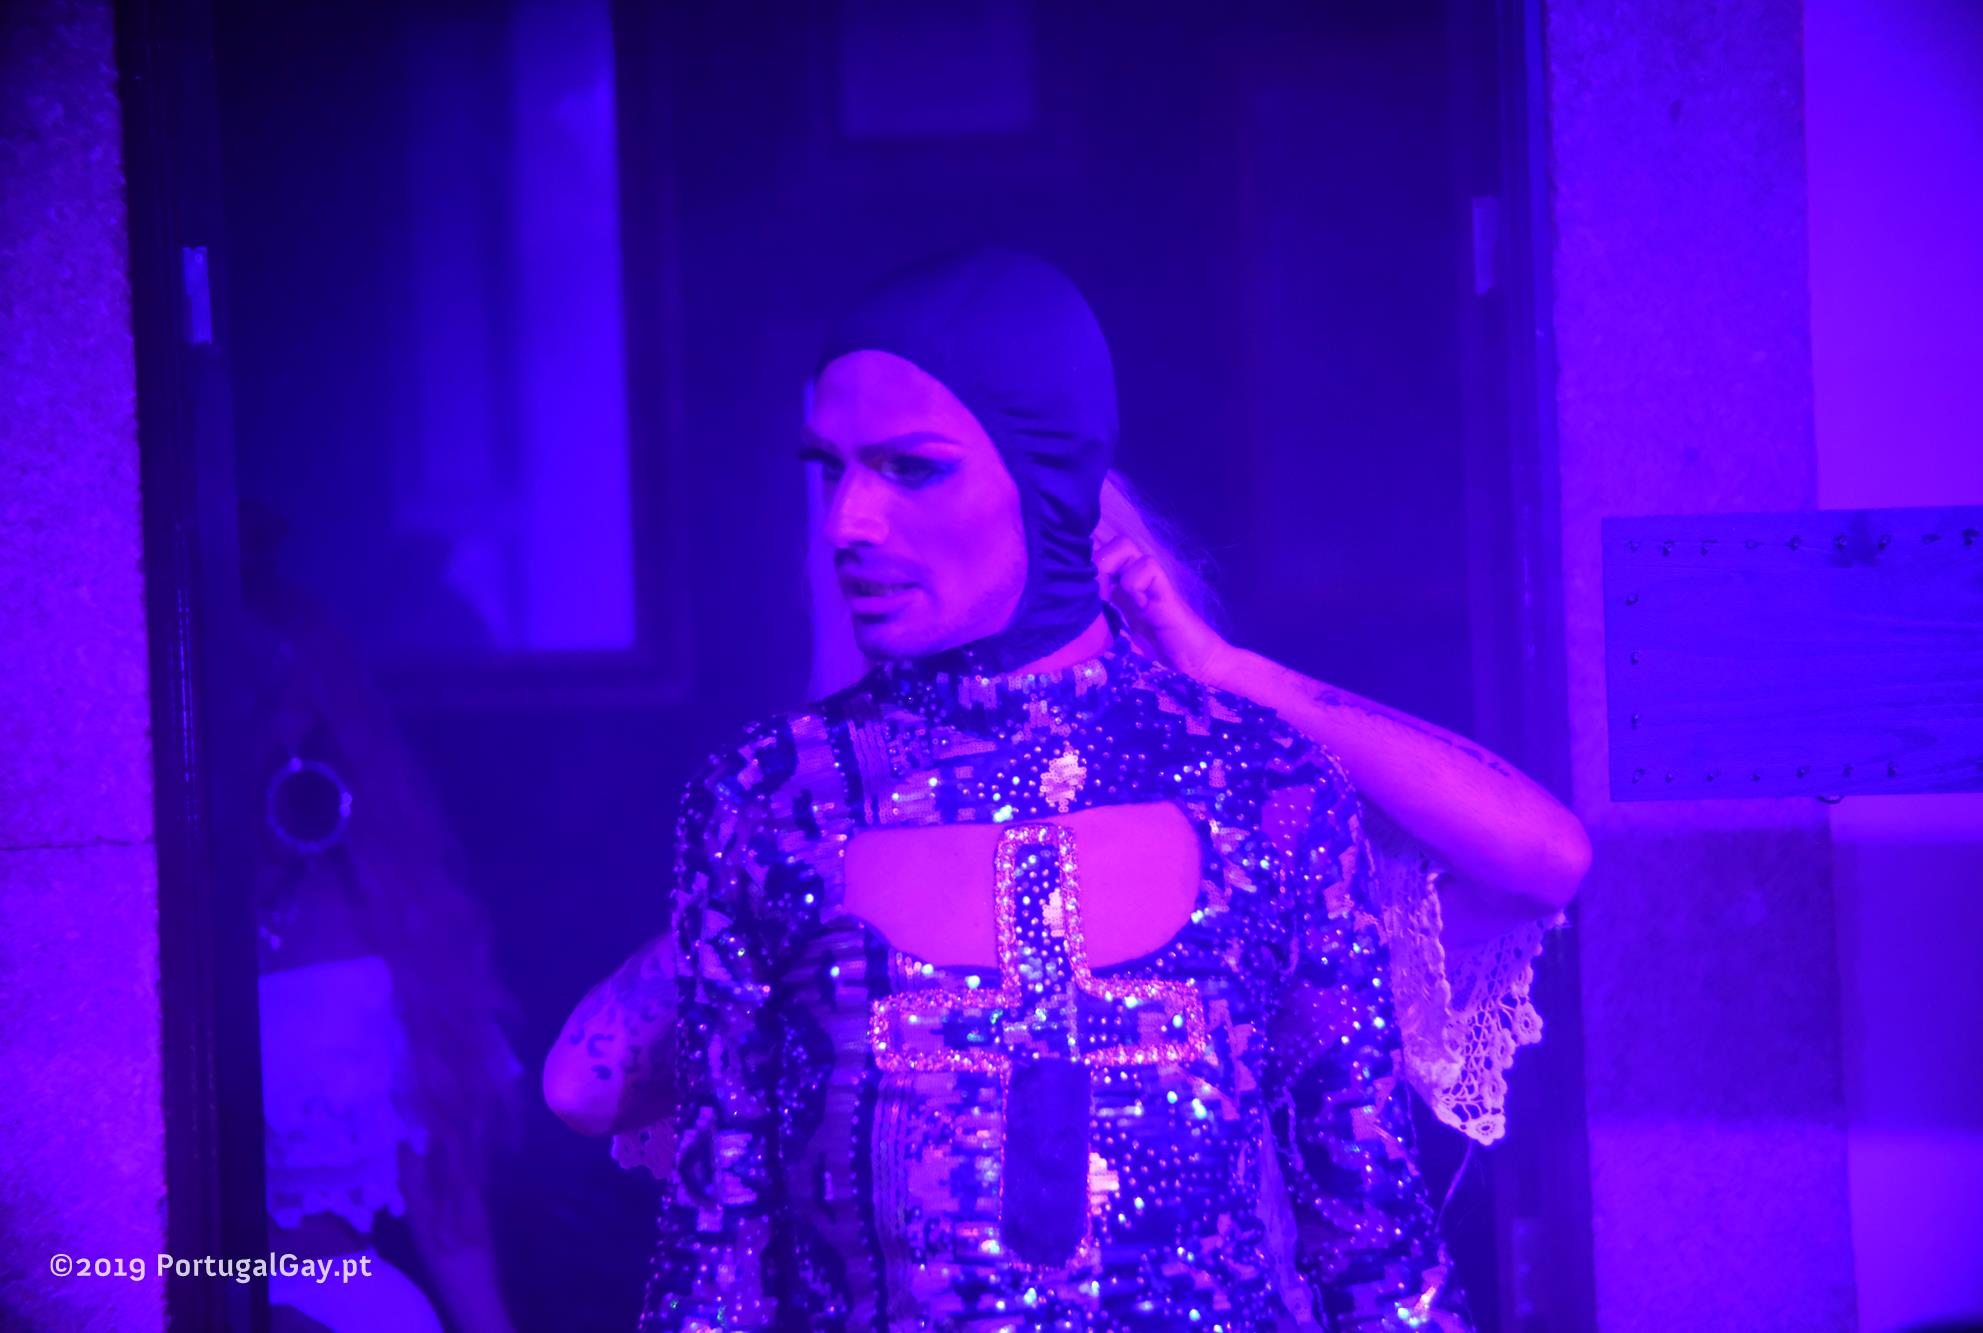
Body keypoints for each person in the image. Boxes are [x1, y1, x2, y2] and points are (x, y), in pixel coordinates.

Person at [545, 249, 1587, 1330]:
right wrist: (807, 839)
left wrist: (1228, 674)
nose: (845, 522)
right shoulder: (776, 797)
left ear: (1055, 493)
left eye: (912, 468)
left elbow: (1378, 1254)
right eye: (829, 470)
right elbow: (694, 1235)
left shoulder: (1254, 791)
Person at [244, 506, 523, 1333]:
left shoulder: (389, 914)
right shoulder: (140, 909)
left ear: (302, 709)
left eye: (260, 691)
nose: (241, 716)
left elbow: (449, 1203)